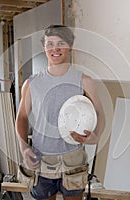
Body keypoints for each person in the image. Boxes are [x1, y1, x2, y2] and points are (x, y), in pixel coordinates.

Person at [15, 25, 105, 200]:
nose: (55, 49)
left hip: (73, 161)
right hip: (40, 160)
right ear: (44, 48)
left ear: (69, 47)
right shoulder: (32, 83)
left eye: (60, 43)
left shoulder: (84, 81)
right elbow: (22, 117)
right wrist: (24, 147)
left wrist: (96, 136)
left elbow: (100, 113)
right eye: (50, 44)